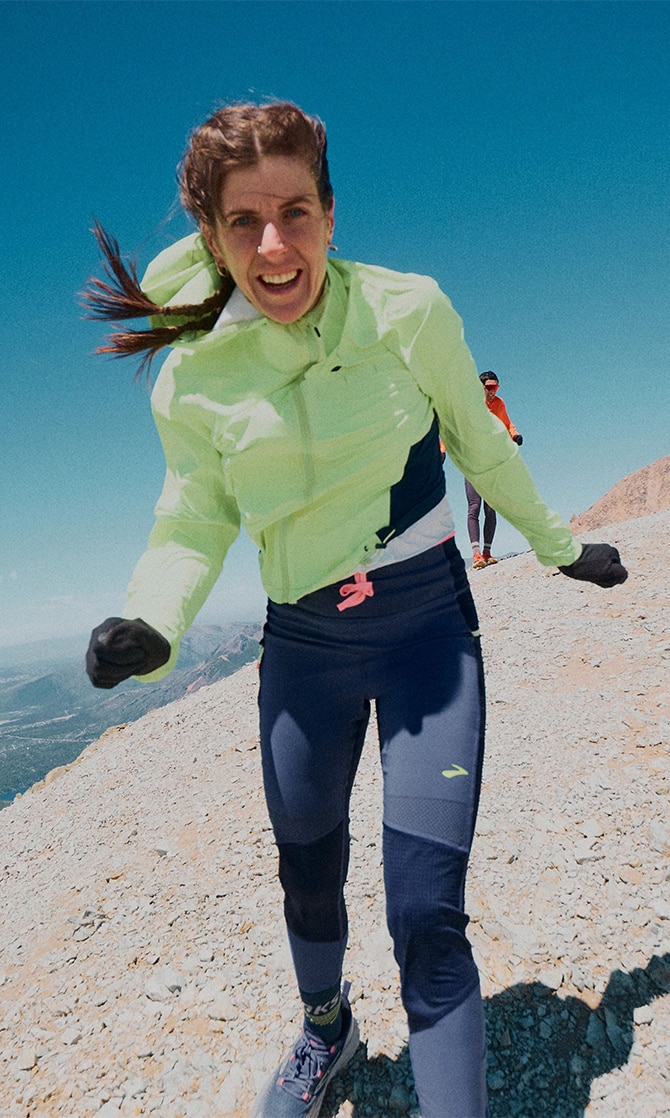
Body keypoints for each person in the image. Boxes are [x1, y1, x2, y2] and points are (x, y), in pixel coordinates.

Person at [82, 100, 627, 1118]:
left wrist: (560, 546)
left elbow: (479, 442)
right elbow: (194, 516)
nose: (275, 244)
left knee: (426, 912)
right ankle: (326, 1033)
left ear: (331, 214)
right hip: (303, 647)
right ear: (213, 235)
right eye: (245, 222)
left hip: (427, 634)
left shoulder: (408, 311)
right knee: (307, 869)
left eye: (296, 212)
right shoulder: (196, 376)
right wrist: (152, 626)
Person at [465, 371, 522, 569]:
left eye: (495, 388)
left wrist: (514, 435)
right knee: (474, 507)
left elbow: (507, 424)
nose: (492, 391)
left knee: (491, 508)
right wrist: (442, 449)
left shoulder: (499, 403)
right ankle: (476, 555)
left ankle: (488, 553)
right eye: (489, 388)